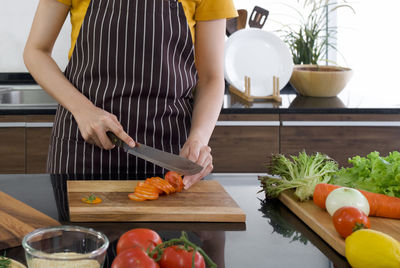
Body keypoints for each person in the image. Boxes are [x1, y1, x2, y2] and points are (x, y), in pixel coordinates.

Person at [24, 0, 237, 189]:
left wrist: (198, 139)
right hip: (84, 146)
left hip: (170, 153)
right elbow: (36, 51)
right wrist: (84, 111)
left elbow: (210, 78)